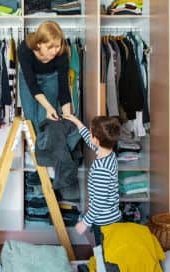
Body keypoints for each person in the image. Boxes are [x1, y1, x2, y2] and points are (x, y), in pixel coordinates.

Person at [63, 114, 122, 271]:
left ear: (97, 140)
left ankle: (102, 268)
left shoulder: (101, 169)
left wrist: (85, 222)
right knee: (103, 250)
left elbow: (98, 204)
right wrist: (76, 122)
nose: (90, 135)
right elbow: (89, 139)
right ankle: (99, 266)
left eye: (91, 132)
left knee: (104, 253)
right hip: (110, 216)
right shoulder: (108, 153)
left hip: (103, 222)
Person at [18, 21, 72, 124]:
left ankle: (44, 140)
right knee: (31, 119)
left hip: (51, 78)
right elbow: (32, 84)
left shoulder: (62, 53)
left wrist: (68, 117)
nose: (54, 51)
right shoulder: (25, 49)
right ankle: (35, 140)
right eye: (50, 47)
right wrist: (48, 107)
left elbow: (63, 88)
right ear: (39, 44)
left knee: (46, 118)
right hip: (29, 80)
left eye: (57, 46)